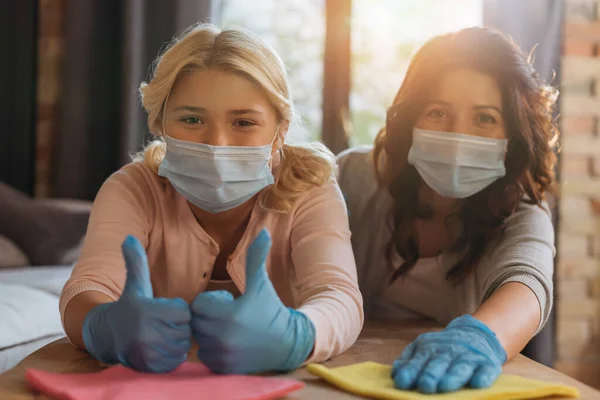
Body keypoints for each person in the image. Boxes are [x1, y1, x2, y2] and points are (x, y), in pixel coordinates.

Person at [60, 23, 363, 374]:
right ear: (160, 124)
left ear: (279, 132)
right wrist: (106, 326)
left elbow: (338, 295)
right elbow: (86, 289)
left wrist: (297, 336)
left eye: (244, 122)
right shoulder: (133, 189)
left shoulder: (310, 188)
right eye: (191, 119)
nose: (216, 142)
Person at [337, 27, 557, 394]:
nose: (459, 136)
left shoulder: (521, 212)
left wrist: (480, 338)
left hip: (444, 386)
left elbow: (528, 284)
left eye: (485, 118)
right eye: (438, 112)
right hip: (345, 366)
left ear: (513, 138)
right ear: (411, 120)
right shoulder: (355, 176)